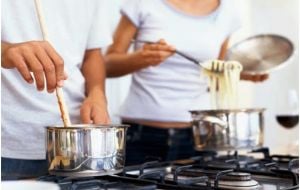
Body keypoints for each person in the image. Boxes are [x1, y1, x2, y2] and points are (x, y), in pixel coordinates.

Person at [105, 0, 268, 165]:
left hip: (198, 137)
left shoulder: (227, 12)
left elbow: (215, 75)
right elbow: (107, 65)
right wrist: (142, 58)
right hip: (140, 137)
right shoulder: (143, 4)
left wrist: (244, 75)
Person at [1, 0, 111, 179]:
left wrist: (97, 92)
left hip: (76, 146)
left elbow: (92, 53)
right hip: (8, 146)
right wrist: (4, 50)